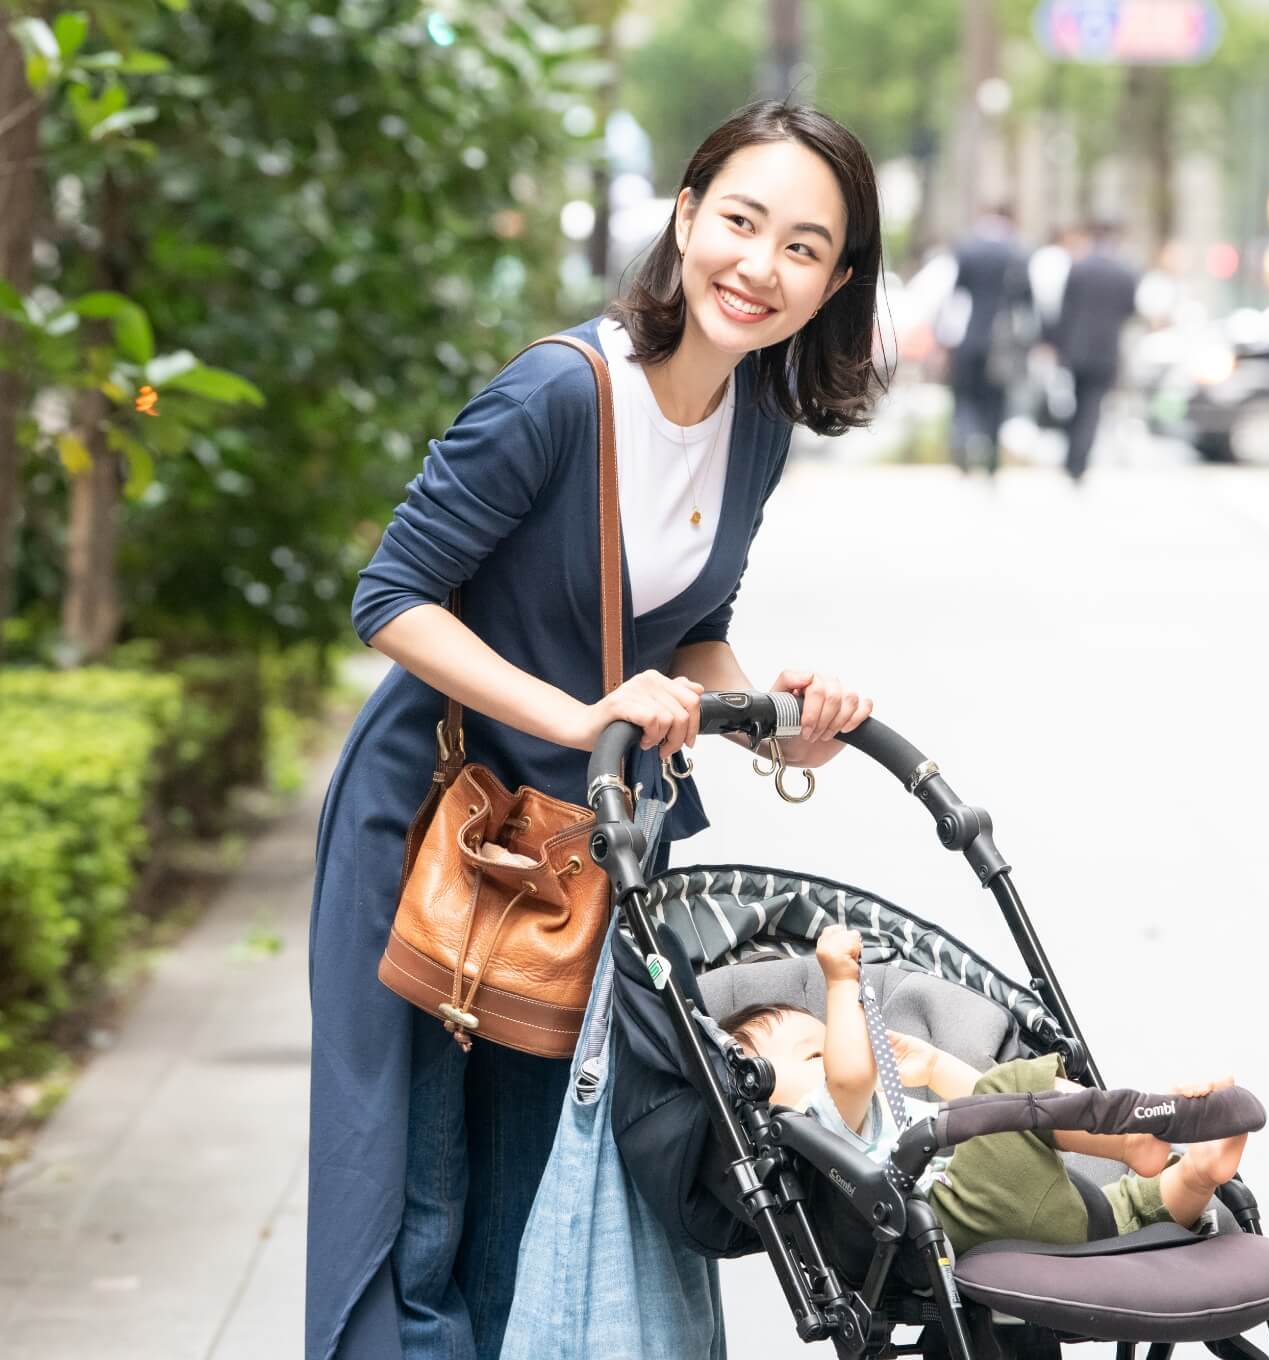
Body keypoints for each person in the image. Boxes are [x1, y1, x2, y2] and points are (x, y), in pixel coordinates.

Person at [307, 101, 888, 1360]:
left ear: (836, 279)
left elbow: (690, 629)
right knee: (420, 1204)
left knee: (548, 1188)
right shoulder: (556, 396)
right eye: (739, 221)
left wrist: (785, 728)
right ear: (684, 216)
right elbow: (389, 598)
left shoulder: (758, 424)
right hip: (444, 835)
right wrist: (581, 716)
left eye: (802, 246)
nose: (759, 266)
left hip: (595, 849)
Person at [727, 926, 1249, 1254]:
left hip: (1007, 1214)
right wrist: (839, 984)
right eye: (816, 1052)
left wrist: (931, 1066)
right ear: (762, 1091)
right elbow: (849, 1077)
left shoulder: (873, 1115)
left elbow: (993, 1108)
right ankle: (1129, 1137)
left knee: (1121, 1199)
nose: (843, 1051)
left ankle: (1199, 1174)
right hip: (942, 1222)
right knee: (1010, 1091)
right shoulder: (812, 1124)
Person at [940, 204, 1033, 476]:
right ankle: (992, 455)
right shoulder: (1017, 252)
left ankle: (963, 444)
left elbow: (956, 297)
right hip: (1002, 342)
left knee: (964, 394)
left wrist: (947, 339)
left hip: (968, 336)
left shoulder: (967, 250)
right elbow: (1026, 303)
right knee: (997, 399)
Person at [1049, 220, 1138, 483]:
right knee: (1092, 408)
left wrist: (1057, 344)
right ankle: (1079, 463)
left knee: (1075, 404)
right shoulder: (1124, 272)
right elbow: (1130, 310)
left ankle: (1071, 459)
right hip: (1106, 349)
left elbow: (1064, 310)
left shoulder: (1079, 268)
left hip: (1076, 348)